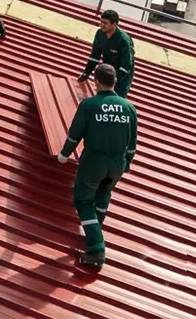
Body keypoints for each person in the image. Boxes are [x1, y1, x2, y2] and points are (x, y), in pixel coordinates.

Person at [58, 63, 138, 270]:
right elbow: (132, 143)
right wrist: (126, 163)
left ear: (96, 82)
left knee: (83, 200)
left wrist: (64, 155)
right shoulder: (129, 108)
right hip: (117, 164)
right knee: (103, 194)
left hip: (94, 161)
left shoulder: (89, 104)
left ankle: (96, 248)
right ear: (115, 82)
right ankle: (95, 227)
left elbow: (75, 134)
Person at [77, 10, 135, 98]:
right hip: (107, 71)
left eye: (105, 23)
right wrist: (86, 73)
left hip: (121, 77)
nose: (102, 25)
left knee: (114, 99)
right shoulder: (100, 34)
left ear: (114, 25)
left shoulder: (123, 40)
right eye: (101, 22)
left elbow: (126, 65)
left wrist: (114, 81)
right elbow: (95, 56)